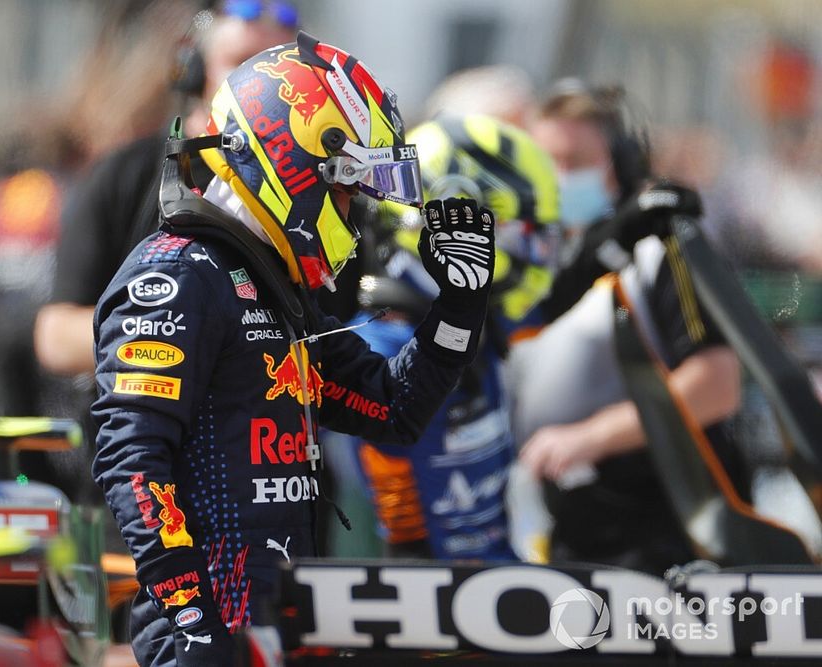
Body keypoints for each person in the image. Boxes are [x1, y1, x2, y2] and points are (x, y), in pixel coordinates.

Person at [92, 33, 497, 666]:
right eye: (345, 189)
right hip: (207, 636)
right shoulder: (178, 276)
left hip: (283, 622)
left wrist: (461, 307)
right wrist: (191, 617)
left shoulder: (277, 288)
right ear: (293, 161)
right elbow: (133, 463)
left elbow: (391, 410)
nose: (353, 209)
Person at [509, 81, 745, 574]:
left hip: (668, 539)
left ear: (622, 162)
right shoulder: (532, 263)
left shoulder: (663, 248)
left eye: (575, 161)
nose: (557, 177)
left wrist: (590, 436)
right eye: (544, 161)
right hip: (568, 535)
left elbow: (718, 385)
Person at [35, 1, 298, 377]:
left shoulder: (328, 192)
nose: (261, 89)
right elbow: (55, 337)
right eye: (240, 63)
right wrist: (177, 327)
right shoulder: (124, 174)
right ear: (194, 71)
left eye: (278, 71)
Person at [349, 115, 561, 560]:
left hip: (497, 579)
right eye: (522, 233)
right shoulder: (378, 348)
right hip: (429, 603)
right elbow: (398, 526)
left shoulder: (486, 322)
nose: (537, 253)